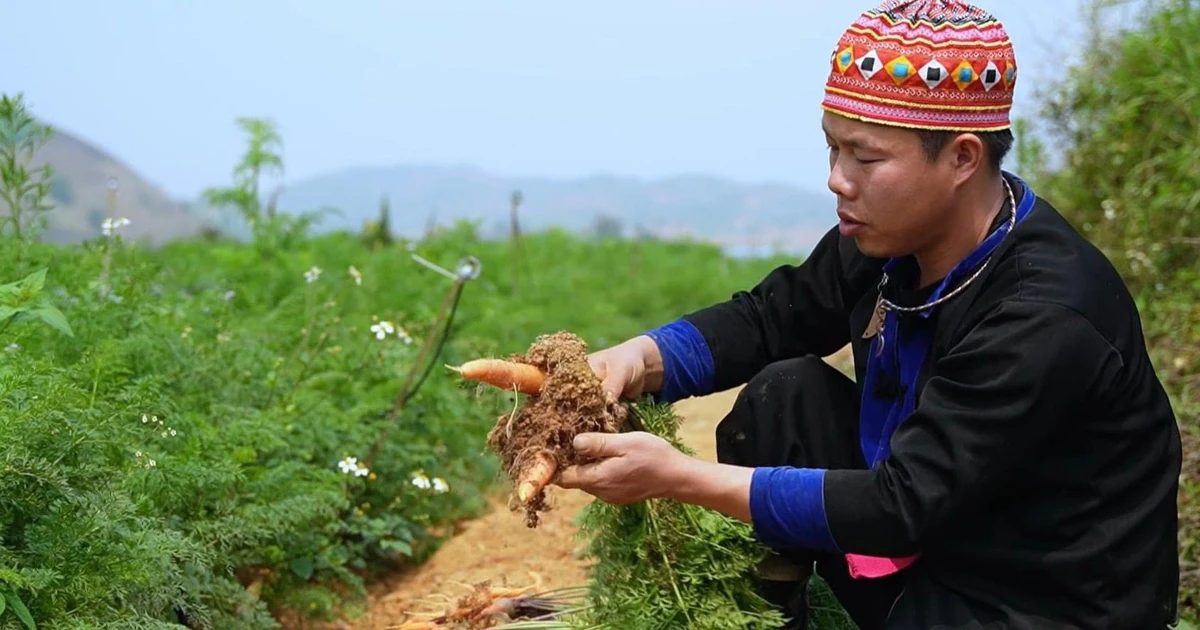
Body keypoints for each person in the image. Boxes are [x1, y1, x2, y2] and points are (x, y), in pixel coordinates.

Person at [553, 1, 1184, 628]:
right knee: (787, 396)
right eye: (833, 150)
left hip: (1039, 600)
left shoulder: (1042, 312)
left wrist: (678, 477)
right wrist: (637, 358)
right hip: (941, 547)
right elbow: (772, 319)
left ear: (962, 158)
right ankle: (775, 610)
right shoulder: (890, 236)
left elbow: (902, 502)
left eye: (866, 158)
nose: (837, 180)